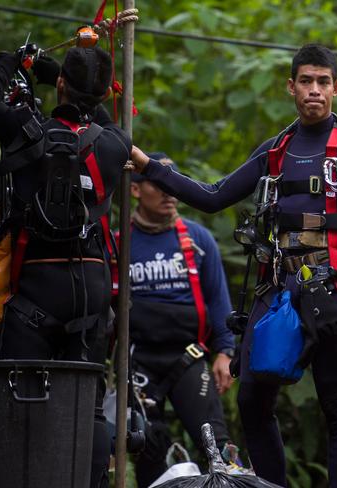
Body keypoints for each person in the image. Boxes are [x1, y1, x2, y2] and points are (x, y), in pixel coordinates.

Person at [129, 44, 337, 487]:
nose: (315, 90)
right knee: (252, 400)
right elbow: (214, 196)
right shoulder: (276, 149)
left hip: (333, 295)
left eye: (323, 82)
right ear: (291, 87)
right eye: (306, 81)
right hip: (277, 294)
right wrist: (148, 166)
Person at [0, 45, 131, 488]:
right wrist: (59, 75)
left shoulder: (26, 129)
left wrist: (8, 61)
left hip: (39, 283)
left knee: (16, 398)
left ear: (61, 84)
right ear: (101, 95)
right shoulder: (115, 143)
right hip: (92, 285)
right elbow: (99, 122)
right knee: (89, 405)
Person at [124, 152, 238, 486]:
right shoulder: (119, 241)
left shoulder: (198, 239)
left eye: (172, 185)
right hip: (137, 361)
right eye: (158, 185)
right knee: (149, 446)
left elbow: (219, 300)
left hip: (188, 357)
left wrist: (225, 352)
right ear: (135, 190)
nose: (169, 192)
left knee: (216, 444)